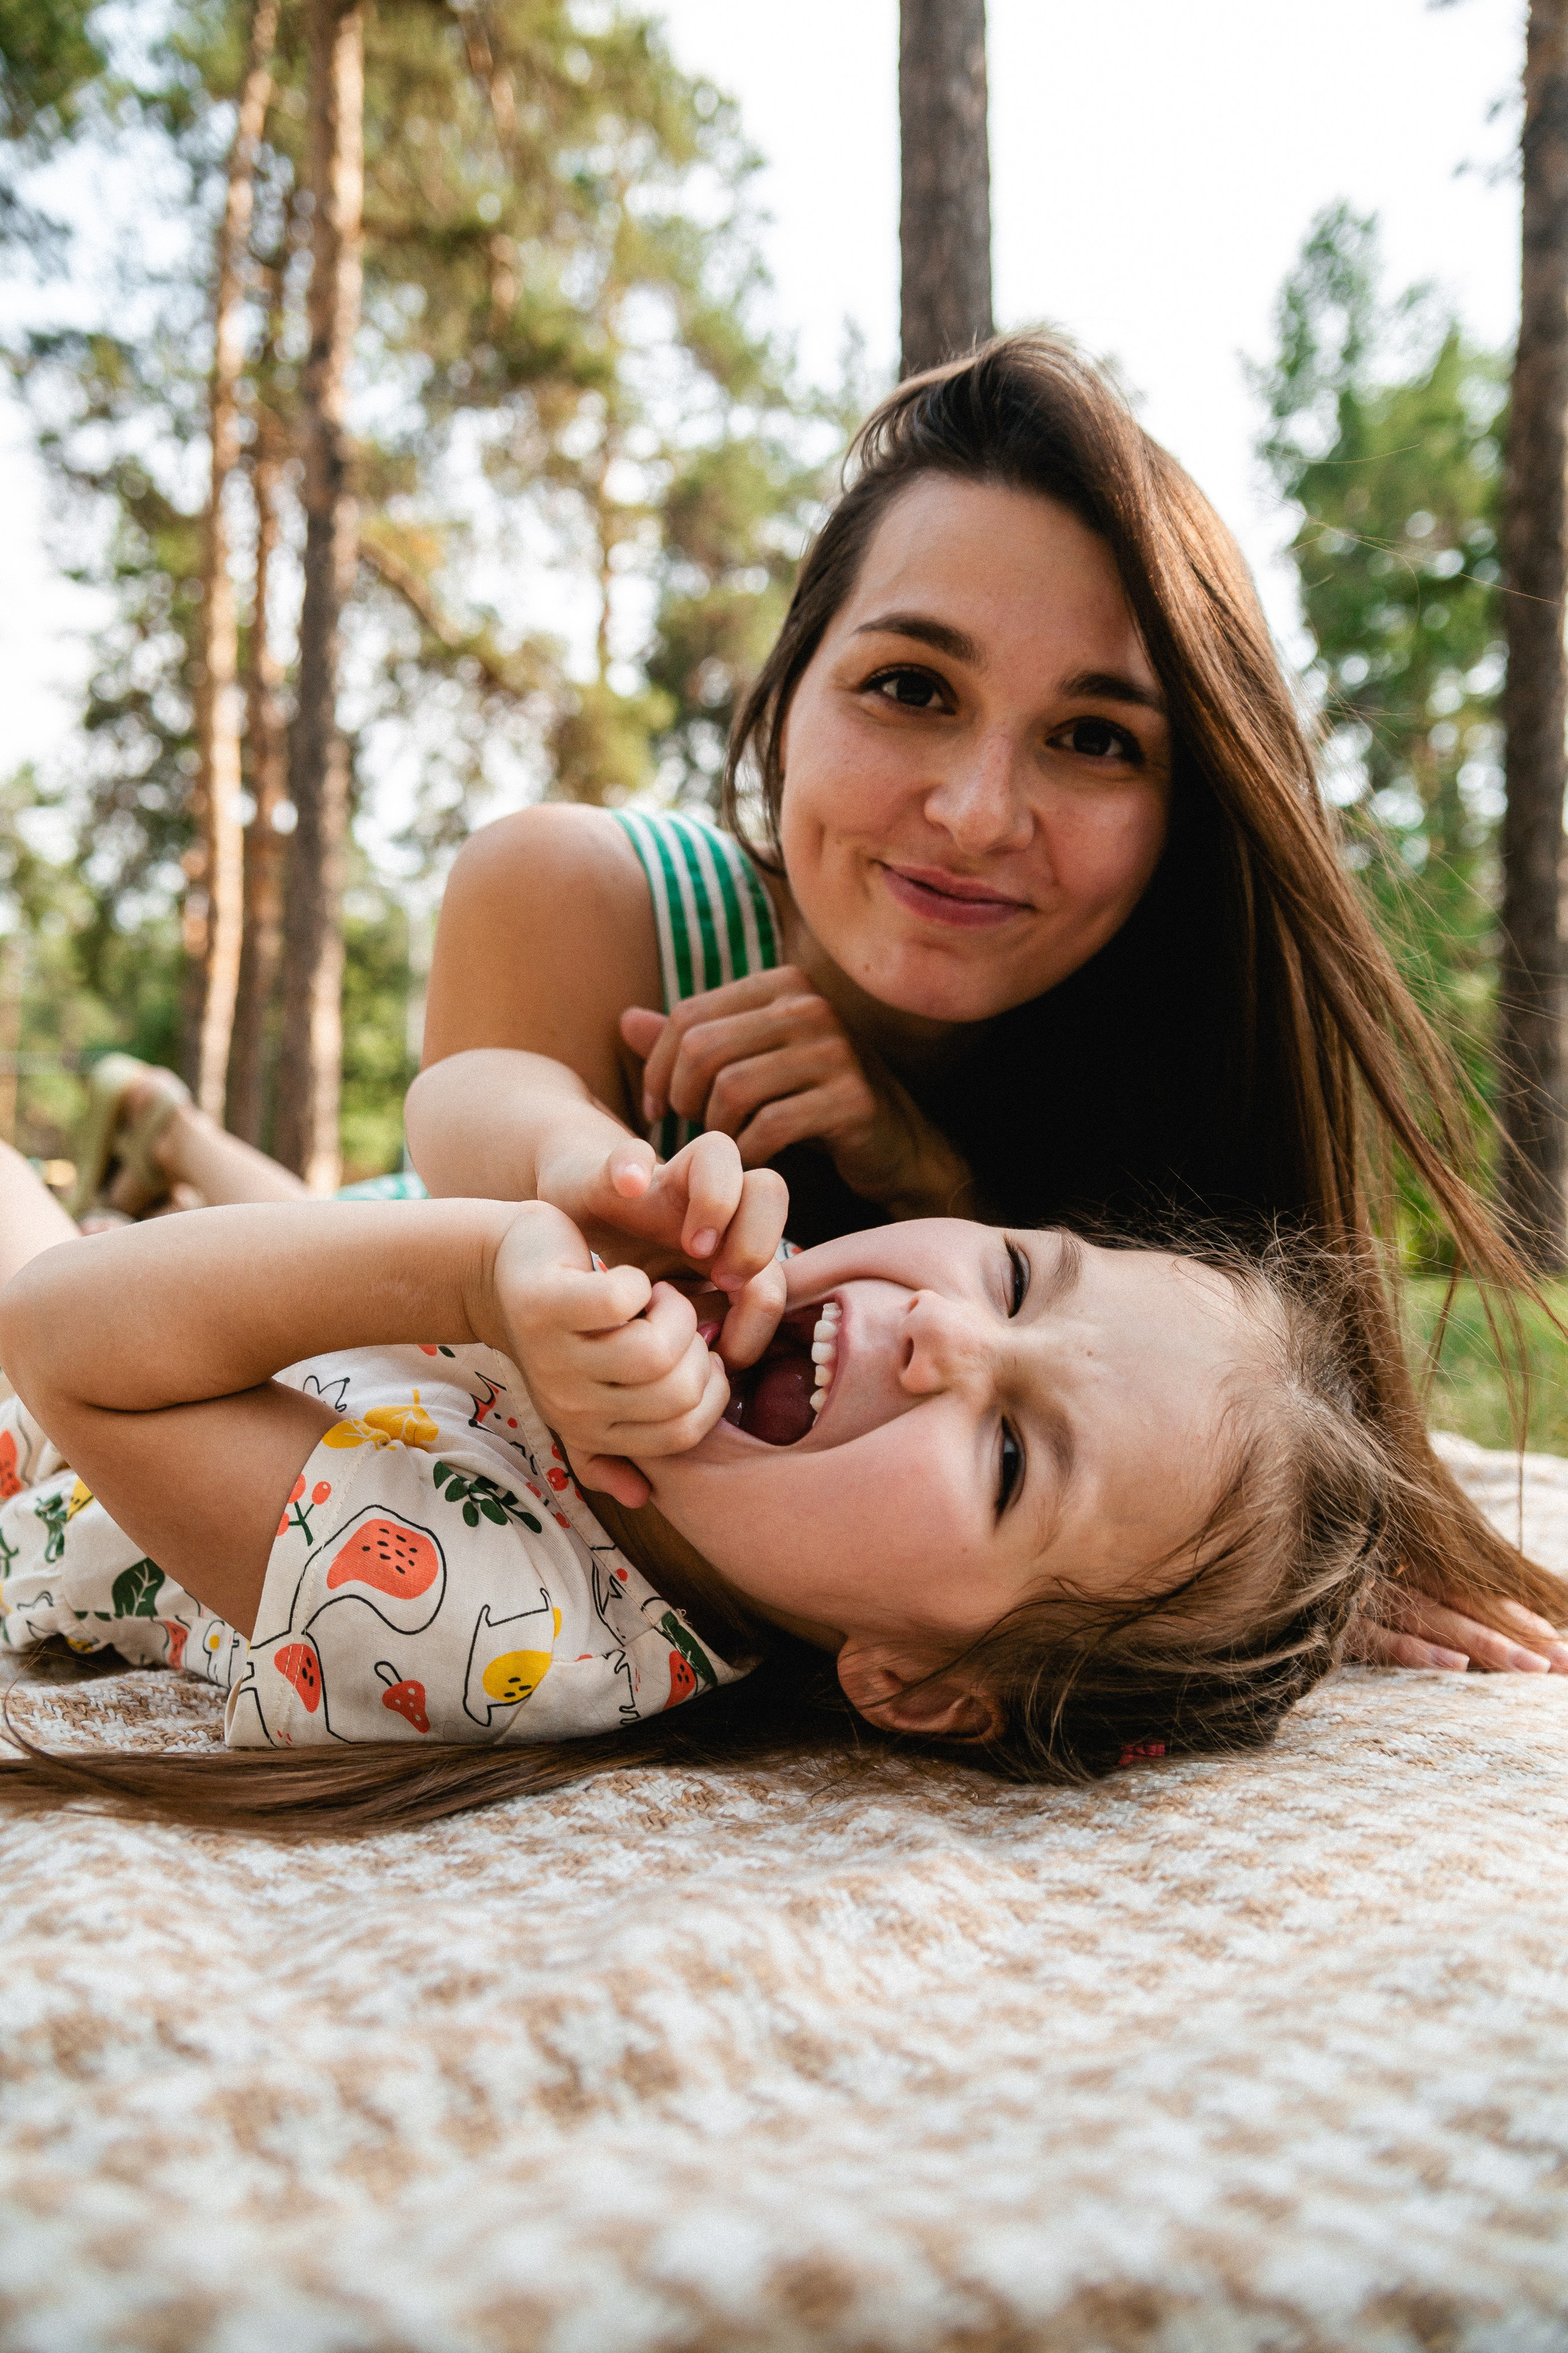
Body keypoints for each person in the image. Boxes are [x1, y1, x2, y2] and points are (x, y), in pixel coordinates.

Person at [393, 331, 1562, 1677]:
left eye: (1093, 738)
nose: (977, 812)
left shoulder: (1182, 1045)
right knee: (238, 1213)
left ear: (1182, 810)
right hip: (377, 1279)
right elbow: (454, 1161)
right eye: (910, 687)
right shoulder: (584, 894)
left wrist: (929, 1176)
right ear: (788, 691)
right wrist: (602, 1178)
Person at [0, 1118, 1423, 1835]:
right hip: (281, 1323)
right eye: (1012, 1275)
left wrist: (482, 1273)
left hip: (54, 1428)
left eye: (1006, 1458)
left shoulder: (494, 1617)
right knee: (316, 1224)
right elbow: (452, 1102)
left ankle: (167, 1146)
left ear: (917, 1682)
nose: (945, 1332)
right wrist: (581, 1181)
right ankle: (177, 1139)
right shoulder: (725, 1322)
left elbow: (59, 1331)